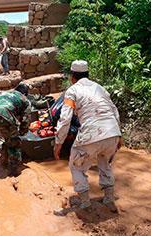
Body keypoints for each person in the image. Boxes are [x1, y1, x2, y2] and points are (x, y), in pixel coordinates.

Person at [53, 60, 122, 212]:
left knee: (76, 166)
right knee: (104, 163)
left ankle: (85, 202)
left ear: (72, 76)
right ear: (87, 74)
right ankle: (109, 198)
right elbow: (114, 110)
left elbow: (65, 119)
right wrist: (119, 136)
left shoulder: (72, 91)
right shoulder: (100, 88)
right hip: (112, 132)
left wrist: (59, 143)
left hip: (91, 133)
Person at [0, 83, 31, 174]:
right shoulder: (25, 100)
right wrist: (22, 132)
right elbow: (26, 119)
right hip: (2, 116)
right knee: (14, 143)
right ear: (25, 93)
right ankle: (14, 170)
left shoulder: (4, 93)